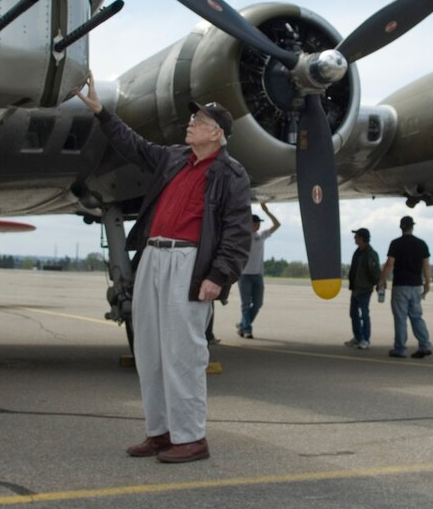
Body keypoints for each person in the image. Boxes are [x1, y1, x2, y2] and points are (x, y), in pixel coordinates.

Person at [76, 73, 251, 464]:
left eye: (199, 121)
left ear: (217, 133)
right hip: (153, 258)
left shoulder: (231, 174)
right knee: (150, 351)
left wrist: (219, 277)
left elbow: (239, 233)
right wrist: (103, 113)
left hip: (188, 264)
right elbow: (133, 146)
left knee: (183, 354)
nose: (191, 123)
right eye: (192, 119)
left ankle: (191, 438)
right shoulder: (174, 158)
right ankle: (160, 432)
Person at [380, 215, 432, 358]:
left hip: (400, 286)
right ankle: (425, 345)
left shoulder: (395, 244)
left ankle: (400, 348)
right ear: (412, 227)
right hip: (416, 286)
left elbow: (390, 263)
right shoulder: (421, 244)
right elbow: (426, 265)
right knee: (416, 316)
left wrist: (382, 280)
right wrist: (427, 282)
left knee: (400, 318)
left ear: (401, 227)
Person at [235, 202, 281, 339]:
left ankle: (243, 324)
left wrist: (267, 211)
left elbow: (277, 225)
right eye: (255, 223)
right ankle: (247, 329)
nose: (258, 225)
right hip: (244, 275)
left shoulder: (261, 235)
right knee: (245, 304)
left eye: (259, 223)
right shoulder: (242, 235)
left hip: (257, 275)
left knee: (258, 303)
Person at [344, 227, 381, 350]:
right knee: (353, 313)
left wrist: (378, 284)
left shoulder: (370, 254)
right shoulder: (358, 252)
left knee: (364, 314)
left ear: (361, 238)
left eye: (356, 236)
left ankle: (365, 339)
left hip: (364, 289)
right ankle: (358, 337)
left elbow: (375, 272)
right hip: (355, 288)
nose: (354, 238)